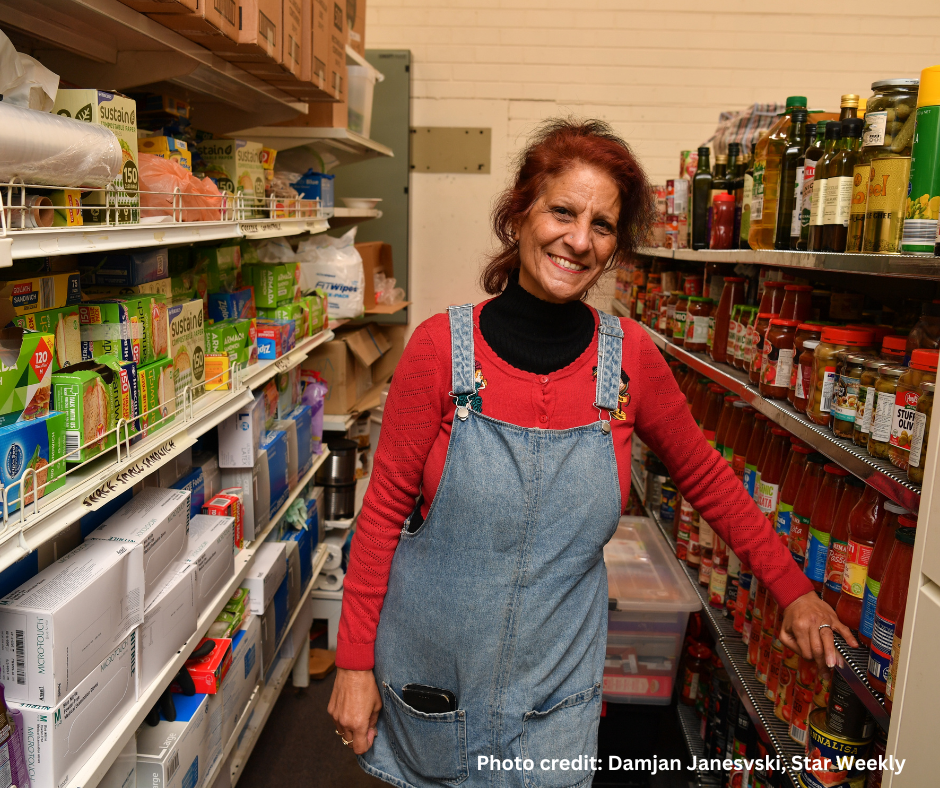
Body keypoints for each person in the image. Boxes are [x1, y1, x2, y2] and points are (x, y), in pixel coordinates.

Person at [329, 119, 855, 788]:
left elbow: (706, 477)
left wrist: (795, 592)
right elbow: (379, 519)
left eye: (602, 226)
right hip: (436, 678)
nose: (579, 240)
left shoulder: (629, 357)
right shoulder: (438, 350)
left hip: (554, 696)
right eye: (563, 212)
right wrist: (352, 665)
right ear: (520, 213)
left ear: (615, 247)